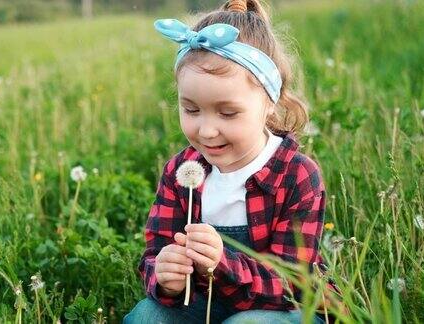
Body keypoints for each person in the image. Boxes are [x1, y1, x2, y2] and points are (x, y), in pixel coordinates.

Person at [124, 0, 339, 323]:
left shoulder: (296, 175)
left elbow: (292, 283)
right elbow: (155, 253)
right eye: (191, 110)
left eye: (227, 112)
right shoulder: (181, 172)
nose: (207, 131)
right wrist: (165, 278)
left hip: (280, 310)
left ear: (270, 102)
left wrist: (222, 262)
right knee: (146, 317)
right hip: (203, 303)